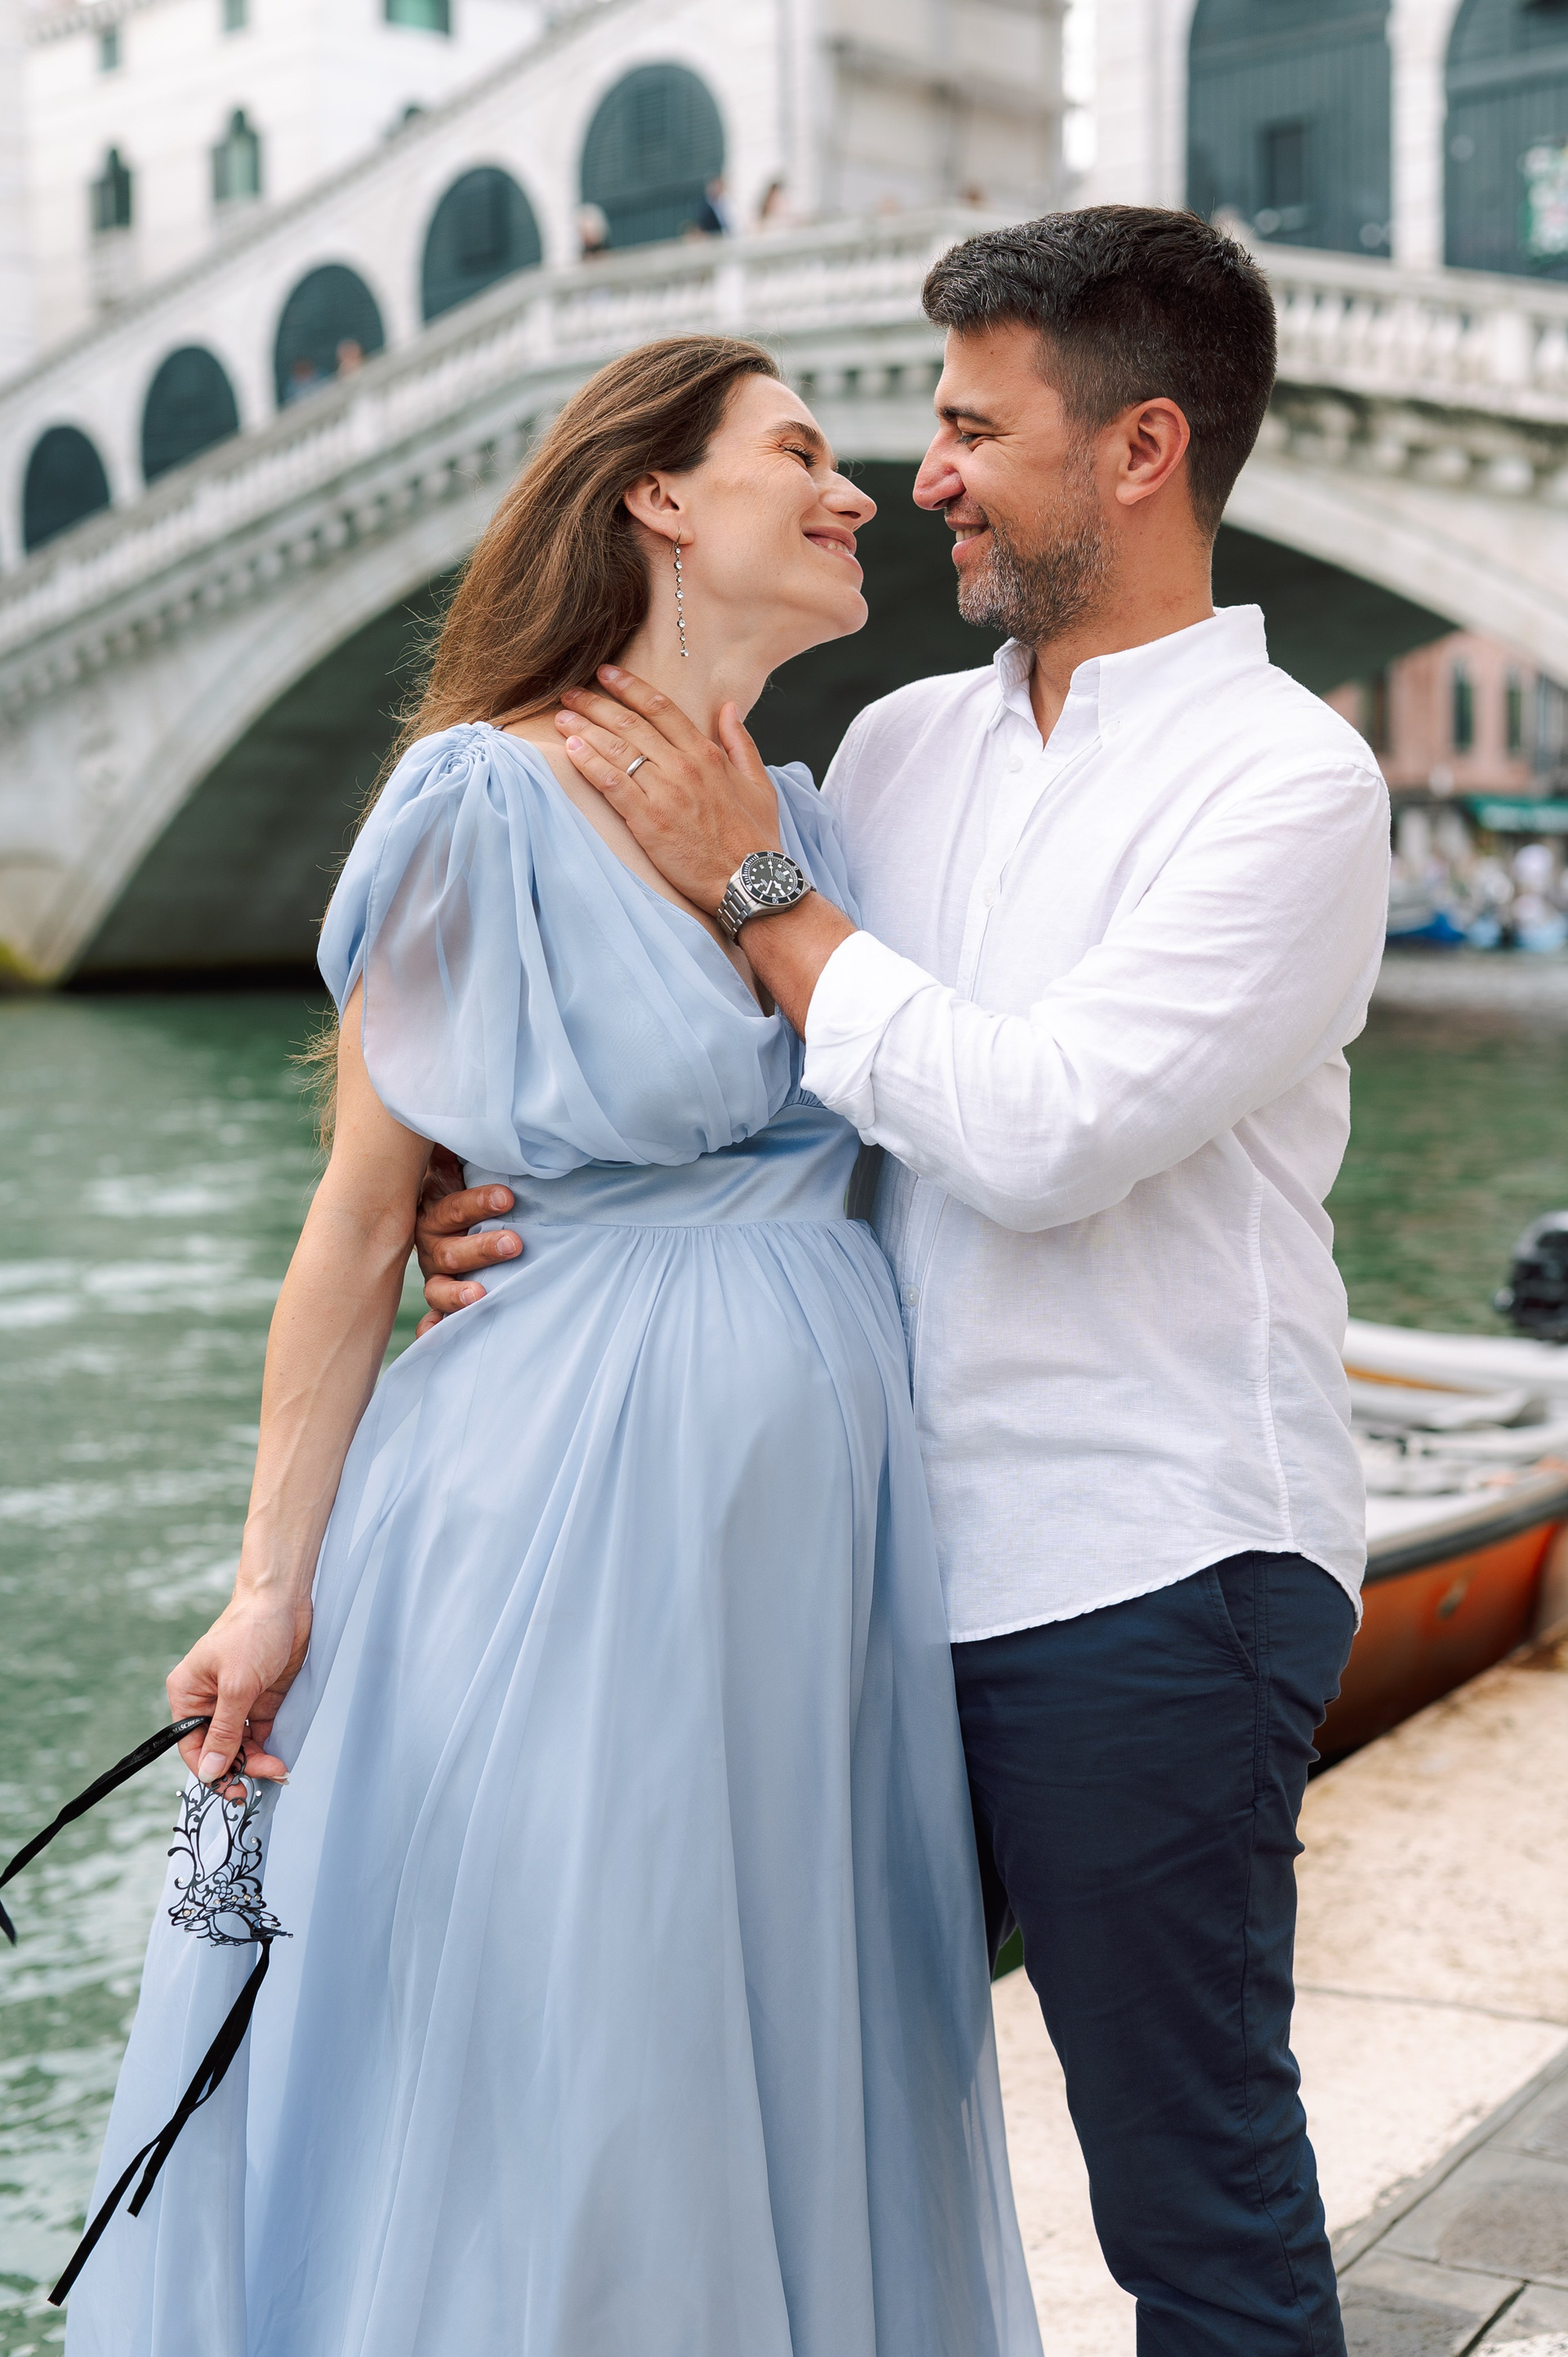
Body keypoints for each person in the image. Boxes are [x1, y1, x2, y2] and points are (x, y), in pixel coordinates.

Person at [422, 208, 1391, 2356]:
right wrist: (491, 1205)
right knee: (775, 2132)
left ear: (1140, 449)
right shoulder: (900, 752)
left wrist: (765, 892)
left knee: (1193, 2195)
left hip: (1148, 1569)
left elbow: (1039, 1131)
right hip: (850, 1573)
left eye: (974, 427)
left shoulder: (1292, 784)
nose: (923, 472)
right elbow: (770, 1112)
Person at [69, 338, 1040, 2357]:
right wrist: (268, 1589)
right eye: (799, 453)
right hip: (566, 1509)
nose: (857, 491)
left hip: (814, 1552)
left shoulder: (808, 825)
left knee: (794, 2032)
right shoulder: (483, 797)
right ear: (658, 499)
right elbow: (360, 1223)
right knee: (590, 2036)